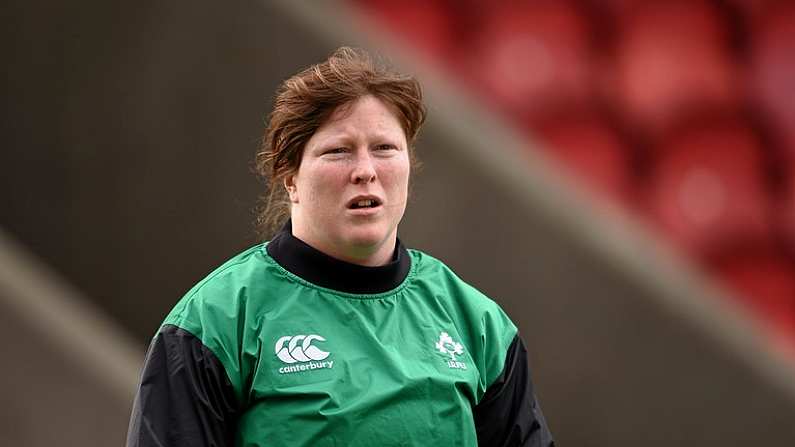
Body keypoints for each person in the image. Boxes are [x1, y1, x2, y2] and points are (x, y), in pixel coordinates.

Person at [126, 46, 554, 447]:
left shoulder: (477, 324)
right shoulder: (214, 323)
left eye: (385, 148)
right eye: (339, 151)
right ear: (290, 175)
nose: (365, 170)